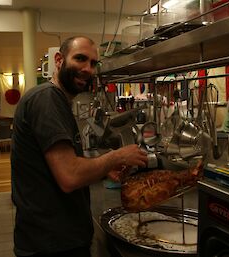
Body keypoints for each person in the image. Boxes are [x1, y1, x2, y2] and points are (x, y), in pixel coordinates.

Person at [11, 36, 148, 257]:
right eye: (80, 59)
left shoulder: (55, 100)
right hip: (51, 244)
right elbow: (70, 176)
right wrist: (117, 157)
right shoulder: (47, 99)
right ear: (59, 60)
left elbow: (57, 170)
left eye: (93, 63)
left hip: (52, 239)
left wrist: (102, 170)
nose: (87, 69)